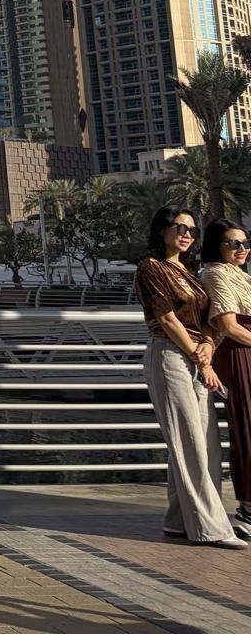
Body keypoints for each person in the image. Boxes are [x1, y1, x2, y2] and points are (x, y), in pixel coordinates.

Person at [137, 207, 243, 547]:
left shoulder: (192, 271)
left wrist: (208, 347)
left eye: (192, 230)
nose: (186, 234)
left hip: (197, 357)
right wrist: (201, 358)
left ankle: (178, 520)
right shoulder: (151, 268)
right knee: (191, 444)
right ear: (162, 229)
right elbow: (167, 320)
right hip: (169, 355)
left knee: (205, 442)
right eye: (179, 227)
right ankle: (211, 528)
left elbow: (209, 320)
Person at [202, 219, 251, 538]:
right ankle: (247, 508)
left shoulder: (240, 275)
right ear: (217, 246)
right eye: (234, 244)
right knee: (247, 428)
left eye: (245, 243)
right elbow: (227, 325)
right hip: (238, 355)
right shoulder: (215, 274)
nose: (242, 249)